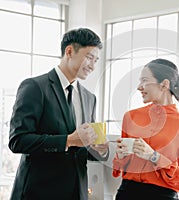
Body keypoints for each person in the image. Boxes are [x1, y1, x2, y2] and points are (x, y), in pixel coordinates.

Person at [8, 28, 109, 200]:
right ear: (69, 51)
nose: (92, 66)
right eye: (89, 57)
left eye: (96, 61)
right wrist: (68, 140)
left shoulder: (89, 98)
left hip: (77, 193)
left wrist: (100, 150)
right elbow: (18, 141)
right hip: (38, 192)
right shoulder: (35, 87)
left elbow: (83, 147)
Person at [112, 58, 179, 200]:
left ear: (164, 84)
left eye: (144, 80)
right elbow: (120, 169)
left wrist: (154, 157)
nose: (139, 87)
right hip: (127, 192)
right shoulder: (130, 117)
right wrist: (120, 157)